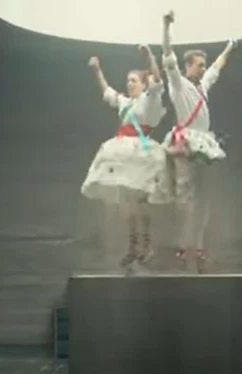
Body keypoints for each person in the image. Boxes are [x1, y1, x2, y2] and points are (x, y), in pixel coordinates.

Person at [81, 45, 172, 271]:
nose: (130, 84)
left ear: (143, 84)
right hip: (123, 153)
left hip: (141, 154)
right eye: (128, 80)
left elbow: (157, 80)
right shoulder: (125, 103)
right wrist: (97, 70)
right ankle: (133, 246)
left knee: (140, 202)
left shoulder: (150, 100)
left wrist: (149, 57)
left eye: (134, 80)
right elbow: (107, 91)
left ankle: (147, 245)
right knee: (128, 204)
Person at [161, 10, 236, 273]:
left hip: (203, 142)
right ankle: (184, 245)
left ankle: (198, 245)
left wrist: (230, 47)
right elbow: (167, 55)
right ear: (188, 66)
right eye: (199, 65)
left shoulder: (202, 87)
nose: (203, 68)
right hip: (186, 142)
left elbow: (217, 67)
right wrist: (166, 26)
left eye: (203, 65)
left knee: (203, 197)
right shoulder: (178, 84)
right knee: (185, 198)